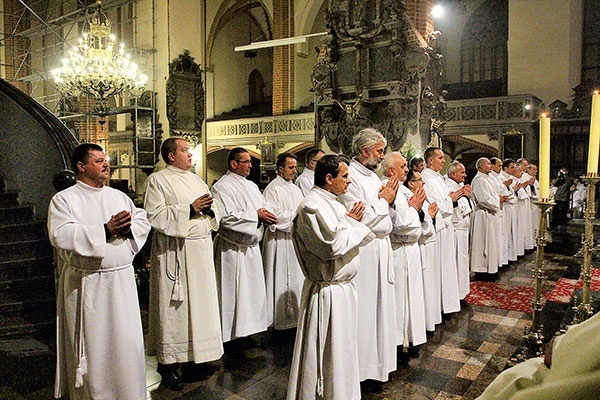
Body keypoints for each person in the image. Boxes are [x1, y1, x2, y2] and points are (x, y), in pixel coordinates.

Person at [49, 143, 151, 400]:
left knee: (125, 344)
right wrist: (104, 230)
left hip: (121, 281)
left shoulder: (118, 196)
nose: (106, 164)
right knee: (96, 349)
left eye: (105, 160)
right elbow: (61, 234)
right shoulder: (64, 199)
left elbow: (141, 220)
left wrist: (127, 229)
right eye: (98, 161)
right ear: (81, 167)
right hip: (89, 284)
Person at [287, 154, 374, 400]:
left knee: (343, 351)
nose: (349, 181)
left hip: (342, 290)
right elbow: (331, 246)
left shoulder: (334, 203)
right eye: (344, 176)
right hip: (327, 291)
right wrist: (351, 223)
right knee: (326, 353)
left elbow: (345, 234)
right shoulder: (311, 207)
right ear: (328, 178)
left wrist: (349, 223)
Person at [144, 137, 223, 391]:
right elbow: (153, 215)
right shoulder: (158, 180)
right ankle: (168, 366)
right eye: (185, 151)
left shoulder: (196, 179)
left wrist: (210, 211)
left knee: (199, 307)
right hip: (175, 252)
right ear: (170, 156)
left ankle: (195, 358)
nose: (190, 155)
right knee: (174, 309)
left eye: (190, 151)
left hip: (200, 251)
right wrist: (189, 209)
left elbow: (214, 209)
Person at [339, 128, 398, 393]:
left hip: (381, 247)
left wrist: (387, 203)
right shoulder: (351, 179)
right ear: (364, 151)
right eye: (379, 151)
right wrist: (385, 203)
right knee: (366, 310)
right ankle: (363, 369)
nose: (382, 156)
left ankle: (379, 365)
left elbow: (383, 216)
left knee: (380, 308)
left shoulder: (373, 179)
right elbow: (364, 217)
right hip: (365, 250)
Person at [211, 147, 277, 347]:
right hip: (231, 250)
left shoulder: (251, 186)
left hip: (251, 249)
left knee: (251, 295)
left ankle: (248, 332)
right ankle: (230, 337)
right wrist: (255, 216)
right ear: (233, 164)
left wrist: (267, 215)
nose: (250, 165)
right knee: (232, 294)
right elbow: (226, 219)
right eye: (246, 161)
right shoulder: (221, 187)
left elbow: (262, 207)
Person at [476, 311, 600, 400]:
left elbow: (552, 353)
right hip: (559, 371)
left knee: (513, 379)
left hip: (541, 385)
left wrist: (557, 349)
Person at [382, 152, 428, 353]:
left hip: (411, 250)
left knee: (413, 298)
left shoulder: (403, 191)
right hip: (397, 251)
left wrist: (418, 211)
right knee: (399, 300)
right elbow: (398, 225)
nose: (407, 170)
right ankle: (398, 343)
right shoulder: (386, 190)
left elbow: (420, 224)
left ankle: (410, 338)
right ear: (391, 170)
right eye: (402, 167)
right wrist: (414, 210)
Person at [262, 153, 304, 333]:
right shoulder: (273, 189)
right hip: (279, 241)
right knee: (278, 277)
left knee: (296, 278)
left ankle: (295, 320)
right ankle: (278, 321)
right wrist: (296, 216)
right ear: (280, 169)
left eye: (295, 167)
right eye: (290, 167)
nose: (294, 171)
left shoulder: (296, 189)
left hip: (294, 240)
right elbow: (274, 217)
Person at [421, 147, 462, 316]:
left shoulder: (438, 178)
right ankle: (438, 308)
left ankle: (447, 305)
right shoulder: (425, 179)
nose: (443, 161)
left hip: (447, 228)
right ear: (430, 160)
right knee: (439, 271)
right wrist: (450, 199)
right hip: (438, 230)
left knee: (447, 269)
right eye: (440, 158)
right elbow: (435, 205)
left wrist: (452, 199)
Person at [405, 169, 441, 332]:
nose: (423, 182)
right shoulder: (409, 198)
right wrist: (427, 217)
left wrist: (430, 218)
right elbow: (416, 227)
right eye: (420, 180)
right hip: (417, 246)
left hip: (427, 244)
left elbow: (428, 224)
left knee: (429, 287)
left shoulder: (422, 199)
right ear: (411, 183)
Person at [470, 158, 505, 277]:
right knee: (483, 242)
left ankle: (490, 268)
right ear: (480, 167)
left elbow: (493, 195)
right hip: (483, 215)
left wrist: (497, 198)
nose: (491, 166)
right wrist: (498, 200)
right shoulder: (479, 180)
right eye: (488, 164)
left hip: (490, 214)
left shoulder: (487, 179)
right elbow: (484, 199)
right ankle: (482, 269)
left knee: (491, 242)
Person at [444, 161, 473, 299]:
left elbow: (469, 208)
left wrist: (467, 197)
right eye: (462, 172)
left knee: (463, 261)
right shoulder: (448, 187)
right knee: (457, 262)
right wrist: (463, 198)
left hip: (463, 229)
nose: (465, 175)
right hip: (456, 230)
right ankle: (457, 294)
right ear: (453, 173)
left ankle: (463, 291)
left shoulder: (460, 186)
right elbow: (458, 210)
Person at [490, 158, 511, 267]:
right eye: (499, 165)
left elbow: (507, 193)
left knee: (502, 236)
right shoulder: (489, 178)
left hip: (500, 208)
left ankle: (501, 261)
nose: (500, 168)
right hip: (492, 211)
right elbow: (490, 195)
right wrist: (500, 196)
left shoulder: (498, 178)